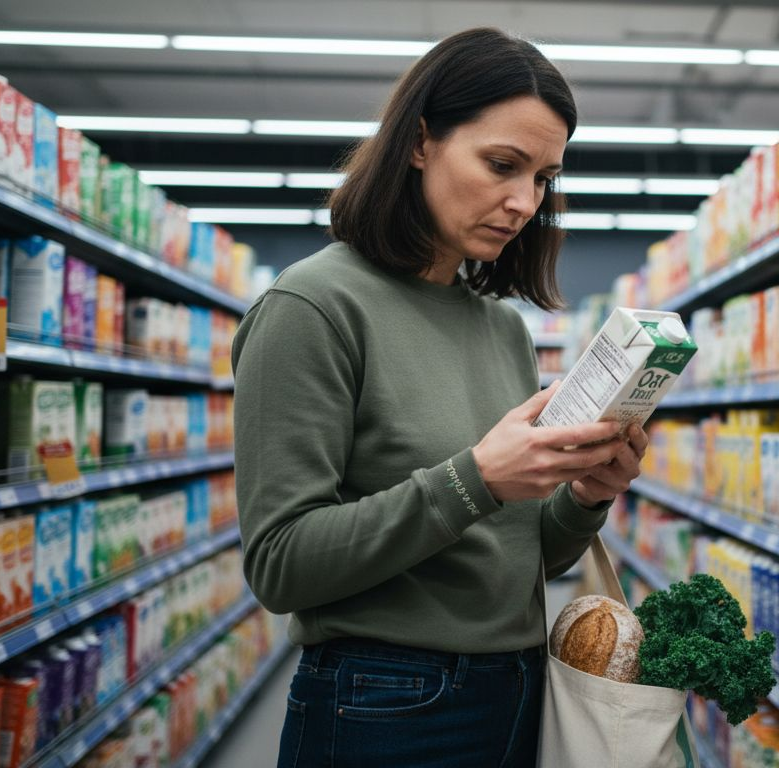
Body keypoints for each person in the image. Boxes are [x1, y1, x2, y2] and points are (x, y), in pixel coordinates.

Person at [231, 27, 647, 768]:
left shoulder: (501, 328)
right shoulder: (313, 306)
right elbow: (280, 564)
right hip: (383, 703)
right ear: (421, 142)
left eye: (544, 178)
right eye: (502, 165)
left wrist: (585, 494)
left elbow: (522, 560)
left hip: (517, 688)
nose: (523, 202)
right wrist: (475, 478)